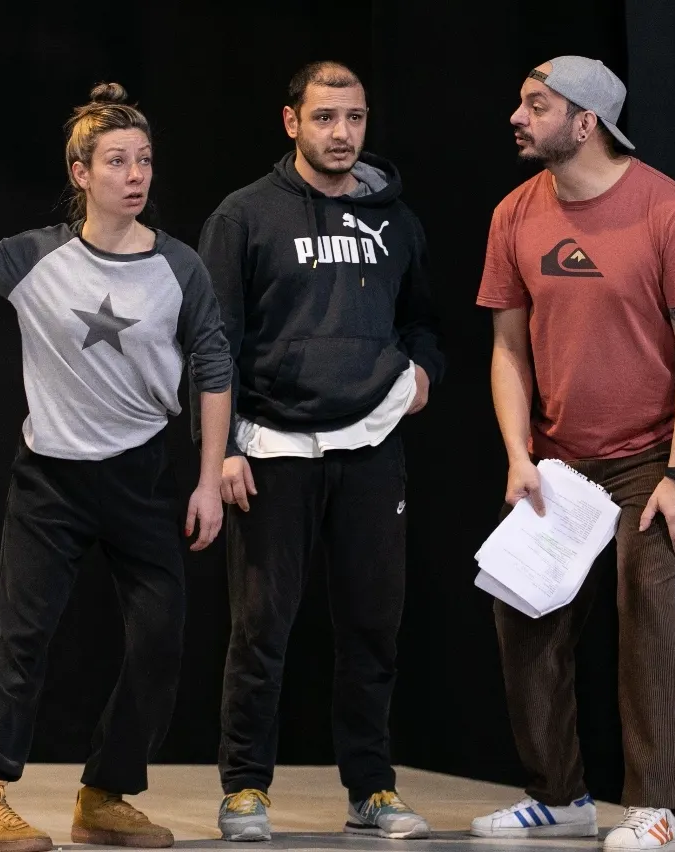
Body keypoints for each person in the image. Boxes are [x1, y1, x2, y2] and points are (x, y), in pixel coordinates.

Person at [0, 83, 233, 852]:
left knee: (159, 637)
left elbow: (214, 365)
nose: (135, 174)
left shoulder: (179, 266)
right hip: (51, 481)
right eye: (116, 161)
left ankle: (105, 795)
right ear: (80, 173)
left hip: (142, 477)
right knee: (18, 636)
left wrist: (207, 479)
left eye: (144, 160)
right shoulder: (38, 255)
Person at [468, 57, 675, 851]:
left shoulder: (666, 209)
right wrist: (519, 456)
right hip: (558, 455)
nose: (517, 116)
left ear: (585, 123)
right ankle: (558, 795)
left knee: (644, 602)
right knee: (522, 607)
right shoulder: (514, 212)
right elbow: (507, 350)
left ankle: (656, 806)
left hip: (652, 448)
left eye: (535, 105)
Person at [191, 60, 445, 842]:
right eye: (325, 117)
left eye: (354, 118)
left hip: (369, 447)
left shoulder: (396, 221)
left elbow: (422, 321)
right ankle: (244, 789)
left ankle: (371, 789)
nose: (341, 133)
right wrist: (222, 449)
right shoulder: (243, 216)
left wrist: (422, 373)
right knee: (261, 630)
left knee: (372, 627)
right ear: (291, 121)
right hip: (270, 449)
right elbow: (211, 341)